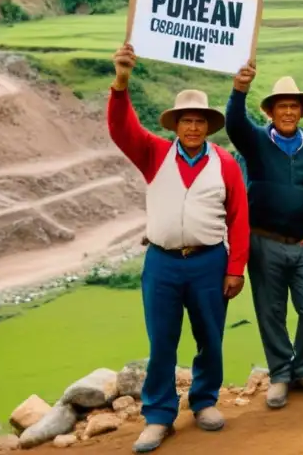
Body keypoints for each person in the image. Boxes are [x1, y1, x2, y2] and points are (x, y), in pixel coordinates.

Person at [107, 43, 249, 454]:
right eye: (186, 121)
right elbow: (120, 128)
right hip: (163, 263)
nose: (192, 127)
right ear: (176, 124)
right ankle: (158, 416)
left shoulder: (224, 162)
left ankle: (204, 402)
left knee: (211, 337)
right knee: (162, 342)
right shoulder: (153, 153)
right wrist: (122, 80)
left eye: (199, 121)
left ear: (208, 125)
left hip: (208, 262)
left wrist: (235, 267)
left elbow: (239, 217)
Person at [226, 65, 303, 409]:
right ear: (270, 111)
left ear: (301, 111)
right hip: (264, 241)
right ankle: (281, 375)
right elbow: (234, 124)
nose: (288, 112)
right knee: (271, 312)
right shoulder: (256, 141)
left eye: (294, 106)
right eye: (281, 106)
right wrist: (239, 90)